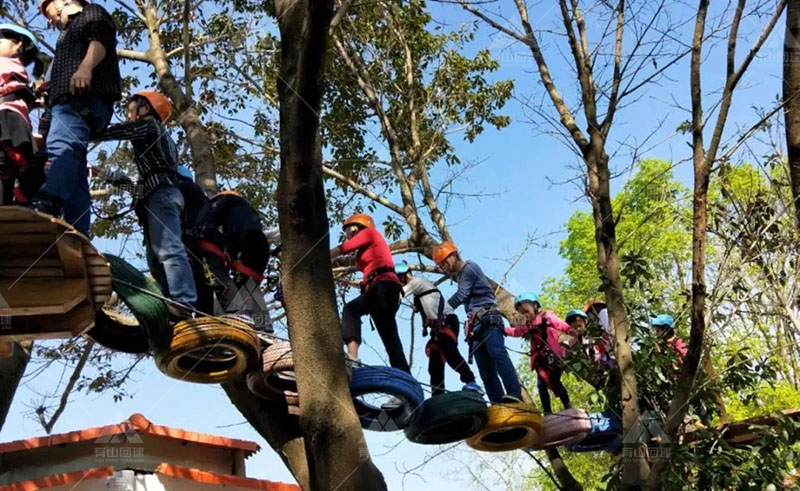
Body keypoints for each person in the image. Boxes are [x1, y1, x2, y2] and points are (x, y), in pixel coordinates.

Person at [90, 91, 196, 319]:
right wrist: (103, 173)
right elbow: (136, 188)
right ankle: (172, 309)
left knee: (168, 250)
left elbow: (122, 130)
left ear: (146, 109)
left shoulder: (150, 128)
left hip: (163, 196)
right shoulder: (155, 150)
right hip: (157, 197)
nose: (128, 115)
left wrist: (87, 131)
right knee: (156, 262)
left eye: (131, 109)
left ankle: (184, 302)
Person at [32, 0, 121, 235]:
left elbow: (99, 39)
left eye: (49, 13)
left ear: (62, 2)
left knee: (64, 146)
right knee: (77, 168)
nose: (50, 20)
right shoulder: (65, 38)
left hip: (82, 99)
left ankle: (47, 202)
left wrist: (85, 68)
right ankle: (77, 230)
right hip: (67, 101)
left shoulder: (90, 13)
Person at [176, 170, 271, 331]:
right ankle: (264, 326)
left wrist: (198, 232)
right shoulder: (247, 212)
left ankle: (238, 312)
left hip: (242, 242)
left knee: (216, 277)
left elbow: (209, 218)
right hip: (257, 247)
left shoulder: (223, 201)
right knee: (246, 285)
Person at [435, 242, 522, 404]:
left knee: (497, 352)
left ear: (453, 255)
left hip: (490, 317)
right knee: (485, 370)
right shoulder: (461, 278)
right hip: (475, 327)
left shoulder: (470, 267)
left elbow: (461, 295)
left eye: (444, 263)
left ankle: (514, 393)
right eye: (441, 266)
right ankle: (499, 405)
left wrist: (439, 311)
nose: (444, 267)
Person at [330, 214, 408, 372]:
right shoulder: (366, 250)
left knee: (351, 310)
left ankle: (352, 358)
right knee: (391, 342)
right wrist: (352, 283)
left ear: (355, 227)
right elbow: (370, 274)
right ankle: (405, 379)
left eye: (347, 231)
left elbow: (343, 249)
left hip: (383, 286)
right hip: (382, 288)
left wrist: (319, 256)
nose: (347, 235)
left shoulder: (369, 233)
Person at [395, 262, 482, 396]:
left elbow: (398, 295)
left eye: (399, 279)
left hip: (448, 321)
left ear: (404, 276)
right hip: (437, 329)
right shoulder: (418, 294)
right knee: (434, 365)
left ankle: (471, 381)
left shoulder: (416, 282)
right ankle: (437, 396)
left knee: (450, 352)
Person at [0, 24, 45, 205]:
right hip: (14, 122)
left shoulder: (3, 63)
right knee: (8, 169)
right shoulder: (17, 69)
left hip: (6, 119)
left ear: (18, 45)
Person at [506, 293, 572, 414]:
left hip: (554, 356)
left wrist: (570, 330)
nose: (525, 315)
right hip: (540, 359)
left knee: (555, 380)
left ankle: (567, 405)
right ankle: (547, 411)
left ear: (535, 306)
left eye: (527, 311)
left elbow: (560, 324)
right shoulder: (526, 325)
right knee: (541, 385)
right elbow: (516, 331)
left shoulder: (546, 316)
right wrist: (503, 330)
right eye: (523, 313)